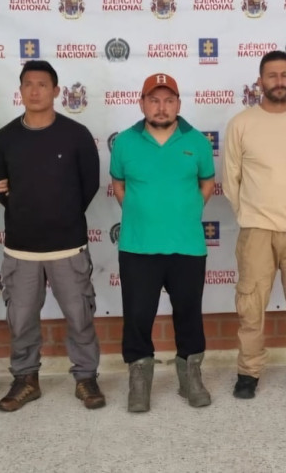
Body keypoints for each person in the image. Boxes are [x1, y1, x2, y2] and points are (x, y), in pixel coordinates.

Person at [0, 60, 105, 411]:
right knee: (21, 319)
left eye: (42, 84)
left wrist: (60, 210)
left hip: (68, 246)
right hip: (21, 249)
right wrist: (24, 201)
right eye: (28, 84)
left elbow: (88, 185)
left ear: (56, 91)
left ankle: (86, 378)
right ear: (20, 91)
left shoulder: (76, 135)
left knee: (79, 315)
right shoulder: (5, 138)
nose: (35, 90)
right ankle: (25, 379)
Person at [224, 50, 286, 402]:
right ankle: (248, 372)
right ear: (260, 81)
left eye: (285, 75)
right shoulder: (241, 123)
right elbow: (230, 179)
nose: (278, 81)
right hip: (256, 230)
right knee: (251, 307)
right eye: (271, 75)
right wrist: (252, 214)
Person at [110, 73, 214, 413]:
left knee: (189, 312)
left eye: (169, 100)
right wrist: (145, 215)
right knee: (138, 315)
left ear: (179, 104)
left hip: (187, 246)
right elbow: (119, 185)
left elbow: (207, 184)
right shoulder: (125, 142)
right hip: (138, 246)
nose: (161, 107)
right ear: (142, 104)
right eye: (154, 100)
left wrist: (183, 214)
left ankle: (190, 377)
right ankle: (139, 380)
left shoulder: (196, 141)